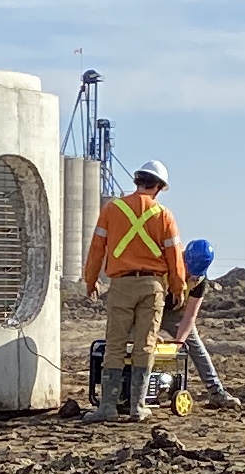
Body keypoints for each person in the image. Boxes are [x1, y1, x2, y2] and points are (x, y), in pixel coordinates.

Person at [84, 160, 188, 421]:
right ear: (159, 187)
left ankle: (107, 407)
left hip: (120, 285)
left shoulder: (112, 209)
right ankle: (137, 407)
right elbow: (174, 256)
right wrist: (178, 287)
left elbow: (97, 247)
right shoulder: (163, 215)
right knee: (145, 345)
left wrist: (91, 279)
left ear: (137, 181)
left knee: (115, 344)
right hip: (152, 286)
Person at [174, 238, 232, 406]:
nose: (192, 274)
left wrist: (179, 343)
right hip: (152, 310)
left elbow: (190, 316)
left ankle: (216, 391)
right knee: (135, 345)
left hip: (177, 313)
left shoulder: (200, 281)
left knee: (196, 347)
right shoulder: (165, 267)